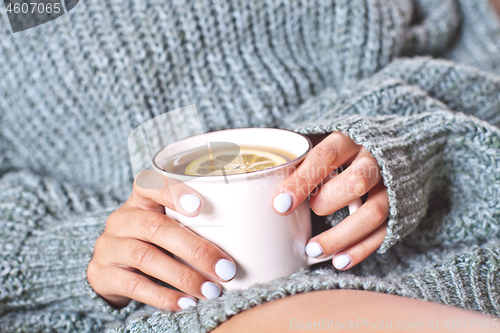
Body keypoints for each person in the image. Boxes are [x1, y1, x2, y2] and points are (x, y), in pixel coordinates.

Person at [1, 0, 500, 332]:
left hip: (446, 245)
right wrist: (85, 258)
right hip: (199, 306)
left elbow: (483, 78)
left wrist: (404, 149)